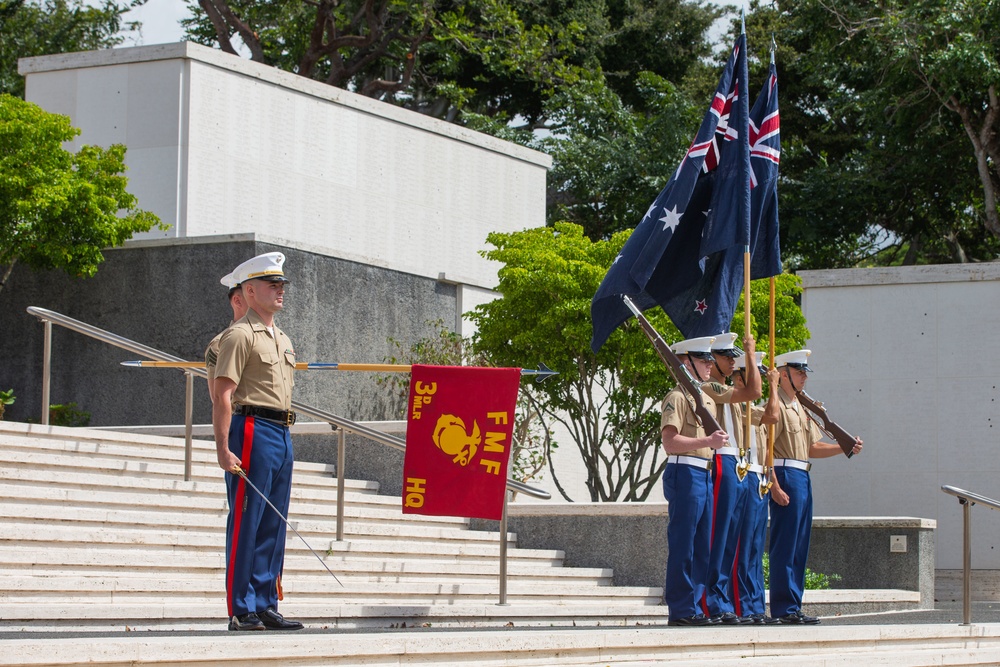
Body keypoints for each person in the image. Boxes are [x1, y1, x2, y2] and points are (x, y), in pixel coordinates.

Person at [212, 251, 303, 632]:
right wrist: (222, 446)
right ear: (249, 291)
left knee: (273, 522)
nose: (280, 291)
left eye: (282, 285)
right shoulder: (238, 335)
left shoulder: (280, 337)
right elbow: (223, 394)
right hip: (251, 429)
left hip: (281, 432)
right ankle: (241, 606)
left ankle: (265, 602)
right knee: (248, 520)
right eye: (272, 285)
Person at [768, 349, 863, 625]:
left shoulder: (800, 407)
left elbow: (811, 447)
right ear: (783, 374)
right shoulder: (775, 406)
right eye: (799, 372)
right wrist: (773, 483)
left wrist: (841, 448)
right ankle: (783, 608)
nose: (804, 377)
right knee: (785, 545)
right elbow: (764, 448)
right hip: (784, 472)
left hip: (801, 474)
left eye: (805, 372)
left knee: (799, 545)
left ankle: (793, 605)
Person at [660, 335, 730, 627]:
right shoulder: (676, 397)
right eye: (703, 360)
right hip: (684, 470)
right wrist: (707, 440)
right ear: (685, 362)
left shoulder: (706, 400)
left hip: (703, 472)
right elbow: (670, 442)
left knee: (703, 545)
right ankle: (680, 608)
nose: (709, 365)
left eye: (709, 360)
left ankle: (695, 604)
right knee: (684, 544)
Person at [699, 333, 762, 625]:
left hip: (737, 461)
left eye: (734, 356)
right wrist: (750, 354)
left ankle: (722, 599)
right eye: (728, 357)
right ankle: (712, 600)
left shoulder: (726, 389)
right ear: (714, 360)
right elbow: (753, 393)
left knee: (732, 539)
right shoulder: (710, 386)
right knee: (719, 535)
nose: (732, 361)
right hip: (722, 459)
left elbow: (759, 401)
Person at [731, 352, 781, 625]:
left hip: (760, 477)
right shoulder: (739, 406)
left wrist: (773, 386)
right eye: (755, 376)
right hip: (745, 475)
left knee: (754, 548)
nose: (760, 382)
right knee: (742, 546)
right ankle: (743, 607)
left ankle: (755, 606)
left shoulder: (754, 408)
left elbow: (773, 416)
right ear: (740, 378)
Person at [205, 272, 248, 400]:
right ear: (237, 301)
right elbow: (219, 398)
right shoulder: (219, 343)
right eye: (251, 294)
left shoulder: (275, 337)